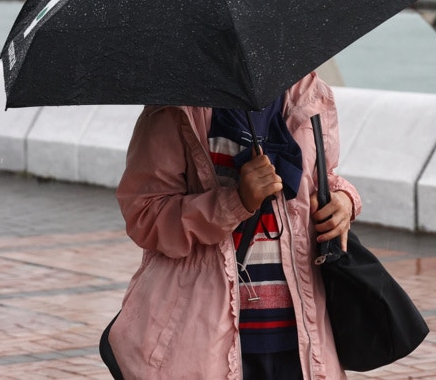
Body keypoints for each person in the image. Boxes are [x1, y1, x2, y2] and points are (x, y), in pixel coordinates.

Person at [106, 72, 361, 379]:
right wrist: (237, 201)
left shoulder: (309, 95)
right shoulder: (176, 108)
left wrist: (345, 199)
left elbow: (324, 177)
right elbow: (146, 215)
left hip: (303, 332)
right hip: (202, 334)